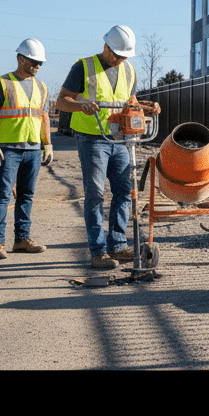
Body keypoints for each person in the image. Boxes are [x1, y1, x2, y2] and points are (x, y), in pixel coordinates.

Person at [55, 25, 160, 270]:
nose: (120, 59)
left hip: (120, 140)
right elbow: (62, 100)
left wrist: (147, 107)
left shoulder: (129, 70)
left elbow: (129, 102)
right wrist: (81, 106)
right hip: (92, 139)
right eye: (117, 55)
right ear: (106, 47)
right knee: (95, 194)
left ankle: (118, 244)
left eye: (125, 56)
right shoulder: (83, 67)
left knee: (124, 191)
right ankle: (98, 251)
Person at [0, 39, 53, 259]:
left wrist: (48, 143)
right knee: (3, 195)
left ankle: (22, 239)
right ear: (20, 59)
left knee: (26, 196)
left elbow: (43, 117)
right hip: (8, 149)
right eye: (33, 62)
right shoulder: (2, 83)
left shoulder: (41, 87)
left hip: (32, 149)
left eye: (40, 63)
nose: (37, 66)